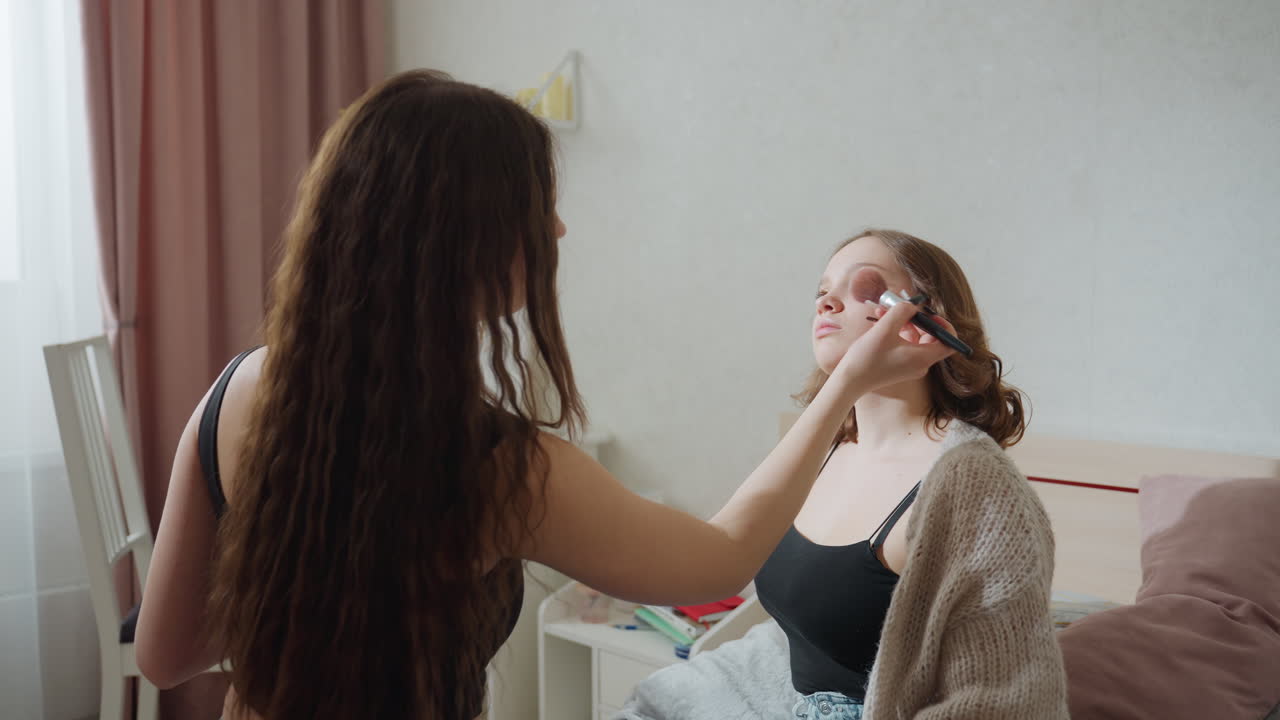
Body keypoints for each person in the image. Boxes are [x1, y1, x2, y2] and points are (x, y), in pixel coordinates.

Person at [132, 72, 954, 720]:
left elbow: (164, 657)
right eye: (539, 209)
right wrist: (843, 385)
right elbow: (721, 555)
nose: (557, 231)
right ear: (466, 241)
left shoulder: (235, 391)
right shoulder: (502, 470)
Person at [755, 229, 1069, 719]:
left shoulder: (975, 486)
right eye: (823, 291)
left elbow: (1003, 701)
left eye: (864, 287)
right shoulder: (820, 449)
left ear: (925, 319)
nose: (826, 303)